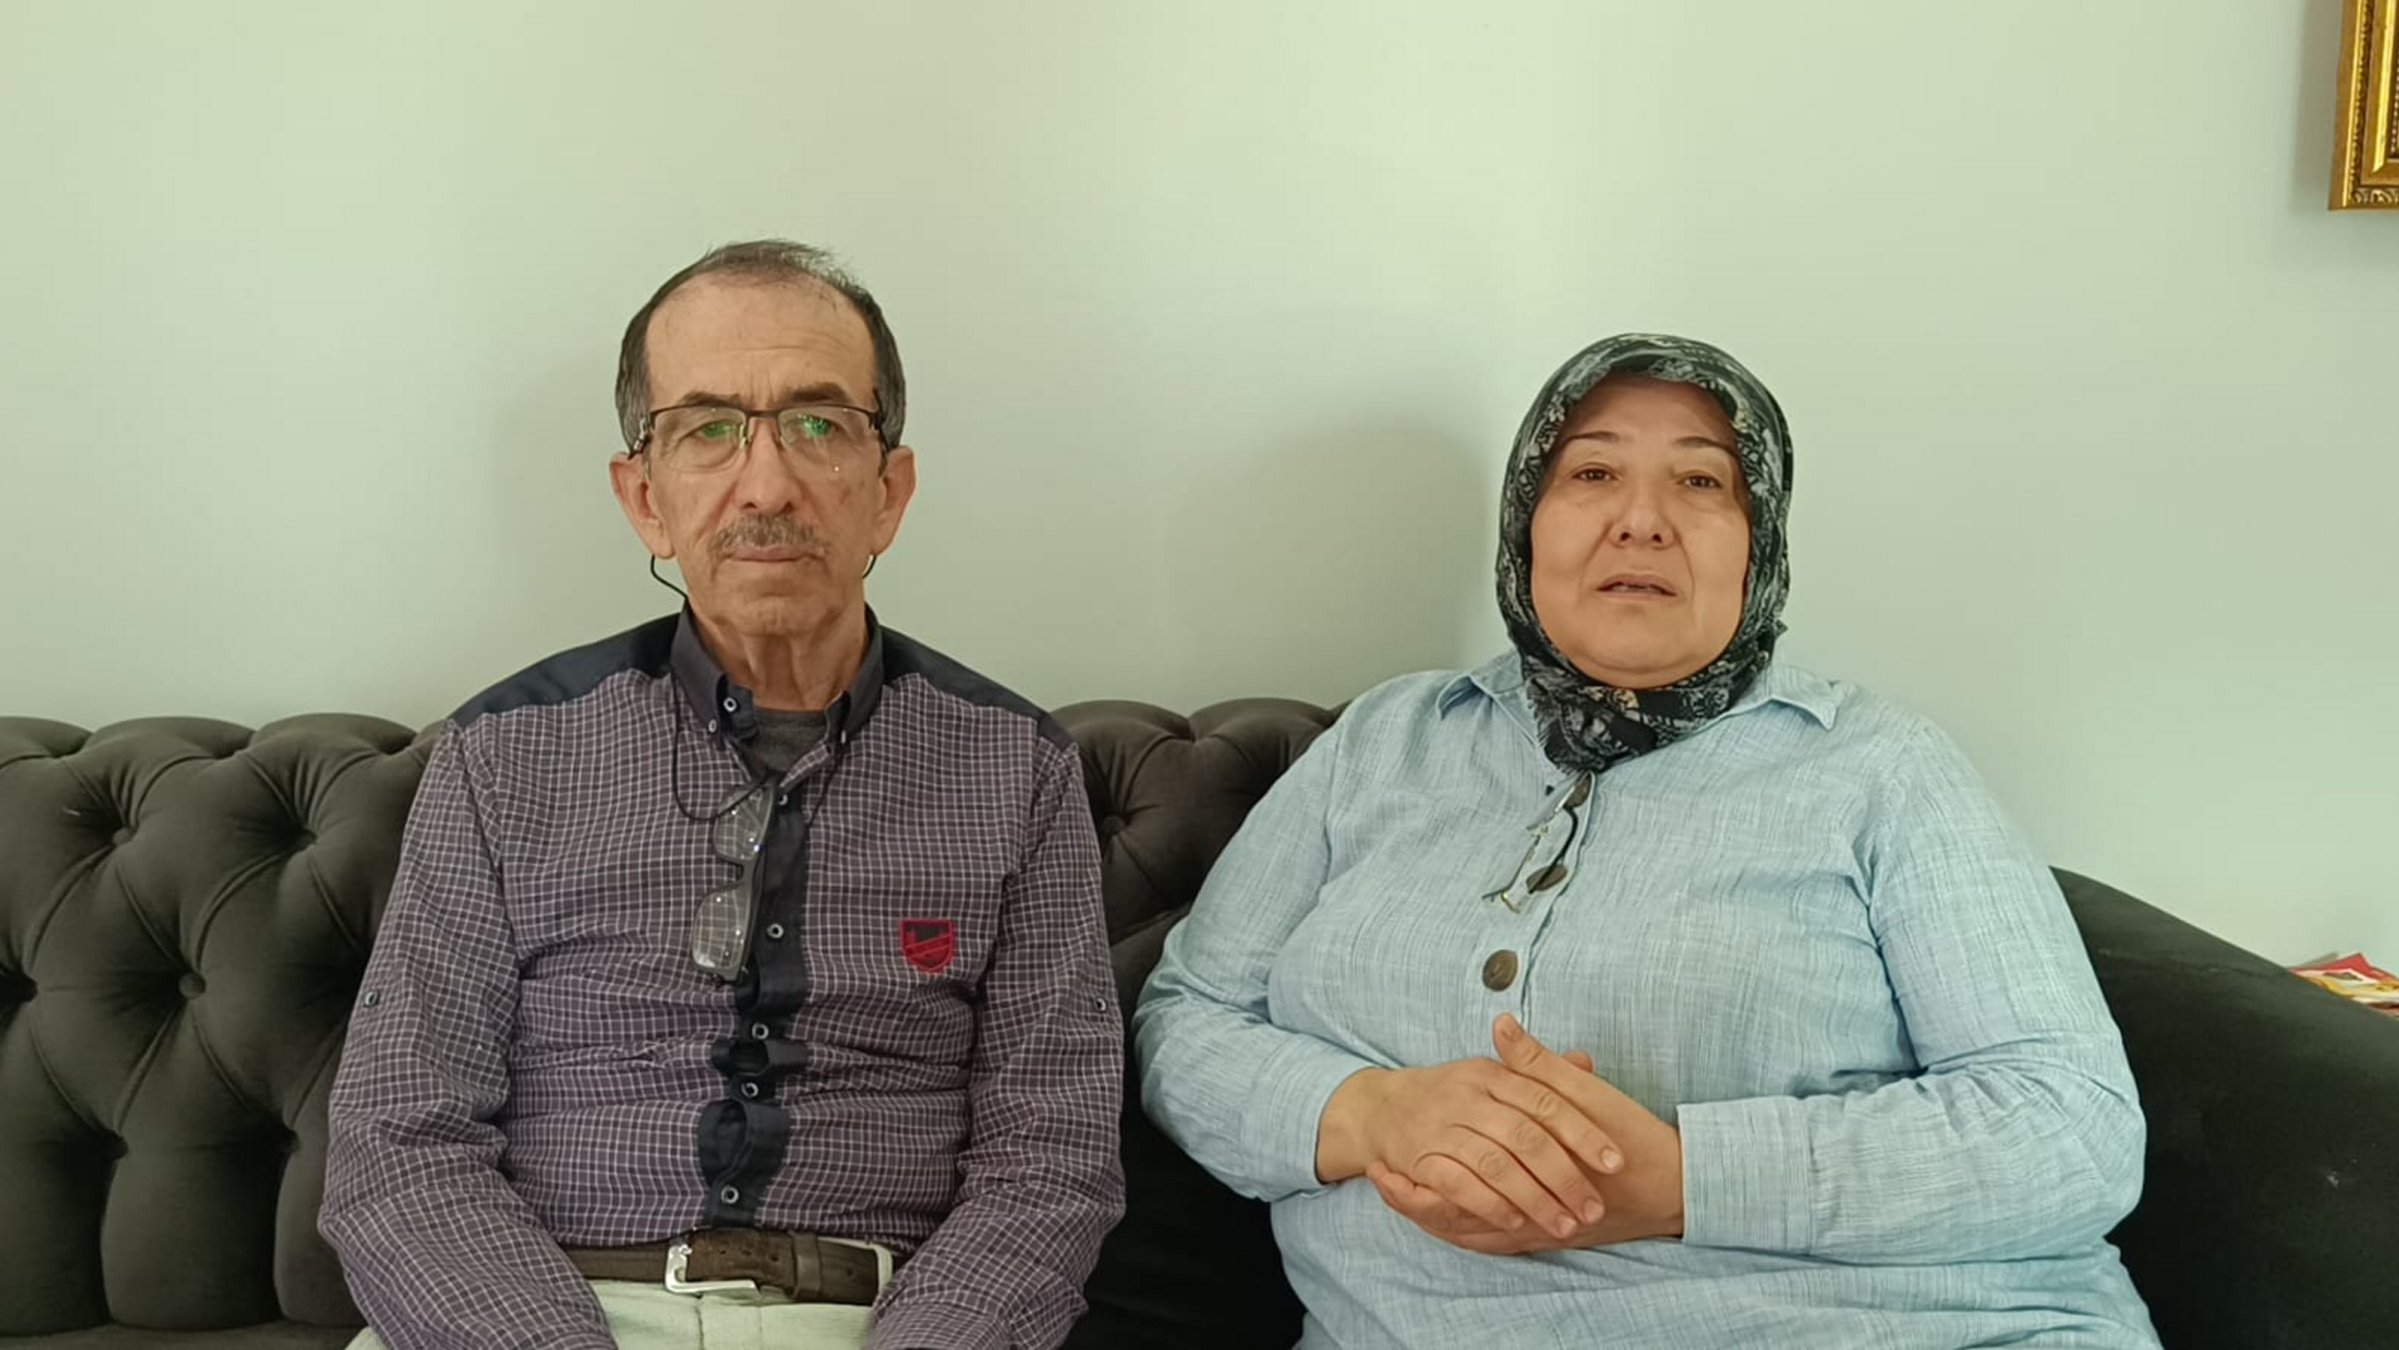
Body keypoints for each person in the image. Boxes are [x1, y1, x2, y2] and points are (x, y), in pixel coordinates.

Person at [1134, 334, 2161, 1347]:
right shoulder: (1383, 743)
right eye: (1590, 472)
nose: (1641, 522)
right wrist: (1365, 1114)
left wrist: (1681, 1179)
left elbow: (2069, 1131)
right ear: (1524, 523)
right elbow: (1187, 1015)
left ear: (1758, 541)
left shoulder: (1879, 768)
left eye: (1702, 485)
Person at [321, 240, 1124, 1350]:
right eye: (706, 430)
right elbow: (398, 1139)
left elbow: (1051, 1160)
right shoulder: (501, 756)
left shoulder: (1016, 769)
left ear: (886, 491)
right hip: (540, 1312)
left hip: (881, 1319)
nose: (766, 484)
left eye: (818, 425)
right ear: (643, 497)